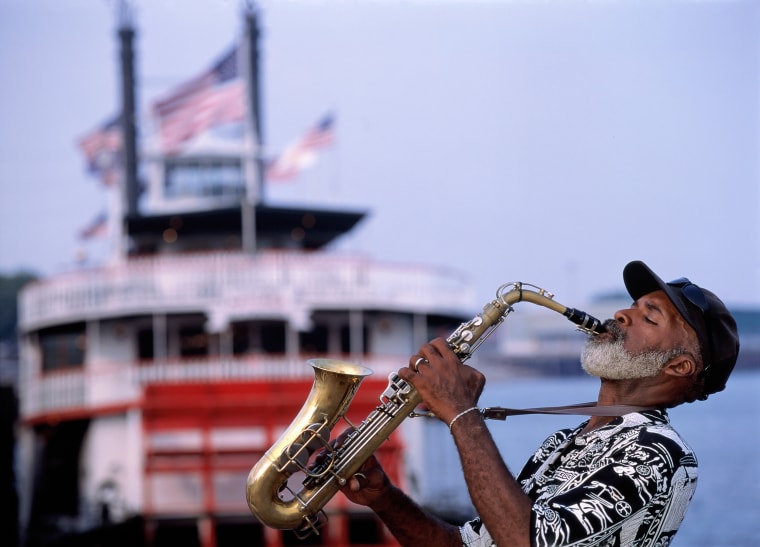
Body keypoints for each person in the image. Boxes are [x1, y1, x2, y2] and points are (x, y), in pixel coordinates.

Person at [339, 260, 739, 547]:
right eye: (632, 306)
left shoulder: (658, 452)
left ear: (679, 365)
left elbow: (525, 541)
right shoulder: (561, 442)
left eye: (649, 317)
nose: (621, 314)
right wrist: (384, 498)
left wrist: (461, 413)